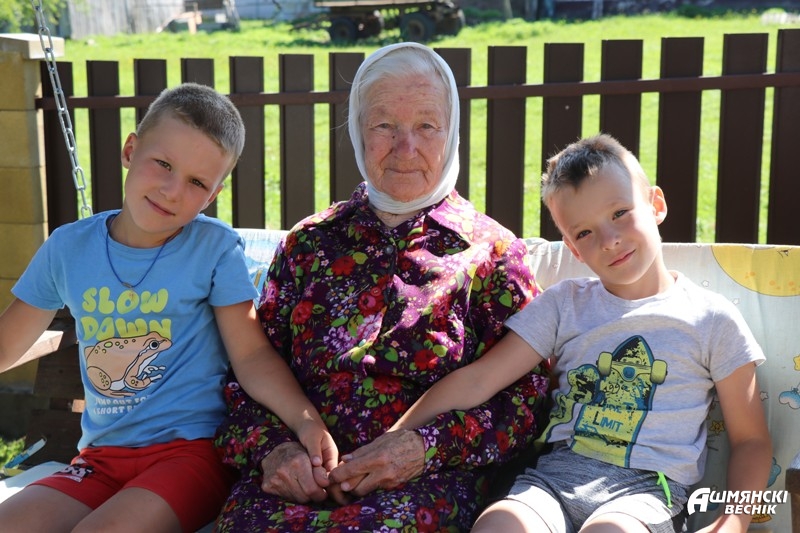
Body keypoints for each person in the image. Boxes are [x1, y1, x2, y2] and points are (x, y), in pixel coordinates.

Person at [213, 42, 551, 531]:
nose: (405, 147)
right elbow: (243, 377)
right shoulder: (308, 244)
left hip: (420, 488)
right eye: (384, 125)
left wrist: (424, 447)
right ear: (357, 129)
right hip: (296, 486)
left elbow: (527, 401)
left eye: (426, 126)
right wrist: (276, 450)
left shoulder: (493, 255)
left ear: (452, 131)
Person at [392, 133, 772, 533]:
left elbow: (752, 441)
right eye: (585, 233)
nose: (610, 241)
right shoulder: (564, 305)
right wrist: (395, 436)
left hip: (648, 493)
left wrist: (734, 522)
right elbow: (478, 380)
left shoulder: (711, 319)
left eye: (620, 212)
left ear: (655, 205)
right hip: (553, 481)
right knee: (498, 526)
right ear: (573, 249)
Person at [0, 83, 336, 533]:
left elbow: (252, 355)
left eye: (197, 182)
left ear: (212, 195)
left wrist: (307, 421)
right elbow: (7, 344)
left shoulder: (213, 249)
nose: (172, 191)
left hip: (191, 455)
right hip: (100, 460)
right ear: (130, 150)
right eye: (163, 164)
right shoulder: (68, 248)